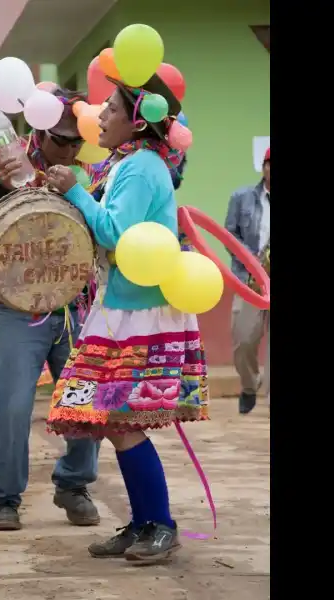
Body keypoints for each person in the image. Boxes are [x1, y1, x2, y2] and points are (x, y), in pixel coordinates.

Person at [43, 73, 208, 563]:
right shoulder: (131, 164)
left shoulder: (139, 168)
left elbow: (115, 233)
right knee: (115, 421)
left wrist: (74, 191)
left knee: (121, 420)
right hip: (121, 306)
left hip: (140, 312)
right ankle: (143, 523)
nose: (102, 115)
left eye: (112, 107)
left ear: (137, 121)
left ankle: (159, 524)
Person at [0, 88, 102, 531]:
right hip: (15, 308)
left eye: (76, 141)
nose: (70, 148)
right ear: (40, 131)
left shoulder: (87, 173)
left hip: (74, 305)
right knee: (13, 406)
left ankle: (74, 484)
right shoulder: (2, 163)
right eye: (62, 140)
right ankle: (3, 497)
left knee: (85, 403)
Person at [224, 147, 270, 414]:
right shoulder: (241, 198)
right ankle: (250, 385)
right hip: (249, 279)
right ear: (263, 167)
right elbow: (230, 234)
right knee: (243, 340)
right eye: (268, 163)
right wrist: (251, 260)